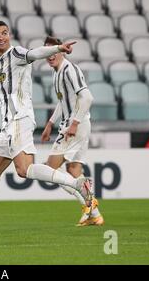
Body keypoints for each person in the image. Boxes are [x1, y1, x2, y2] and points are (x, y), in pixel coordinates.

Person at [0, 21, 93, 239]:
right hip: (8, 125)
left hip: (19, 120)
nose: (1, 37)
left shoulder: (16, 53)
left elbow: (36, 53)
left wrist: (58, 48)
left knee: (24, 170)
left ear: (9, 35)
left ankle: (77, 183)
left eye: (4, 33)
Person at [40, 36, 104, 227]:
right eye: (48, 52)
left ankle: (89, 201)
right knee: (74, 170)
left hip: (74, 126)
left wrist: (74, 124)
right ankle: (94, 214)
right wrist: (50, 123)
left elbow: (87, 97)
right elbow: (63, 101)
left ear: (61, 51)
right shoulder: (57, 72)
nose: (51, 56)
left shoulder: (69, 70)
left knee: (50, 169)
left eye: (54, 51)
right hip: (77, 124)